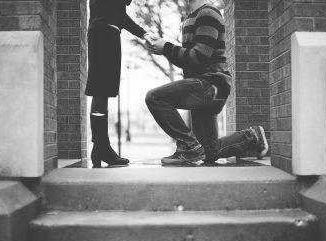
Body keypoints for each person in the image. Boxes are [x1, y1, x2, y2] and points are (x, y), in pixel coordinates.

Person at [145, 0, 268, 164]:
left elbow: (199, 58)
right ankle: (252, 136)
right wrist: (164, 50)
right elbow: (189, 60)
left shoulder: (208, 13)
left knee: (155, 97)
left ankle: (188, 146)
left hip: (211, 84)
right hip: (203, 84)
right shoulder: (191, 17)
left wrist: (166, 48)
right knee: (209, 151)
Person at [86, 0, 154, 167]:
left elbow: (120, 14)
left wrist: (144, 33)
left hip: (106, 32)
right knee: (101, 89)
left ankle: (100, 147)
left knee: (103, 90)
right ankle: (102, 147)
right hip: (104, 33)